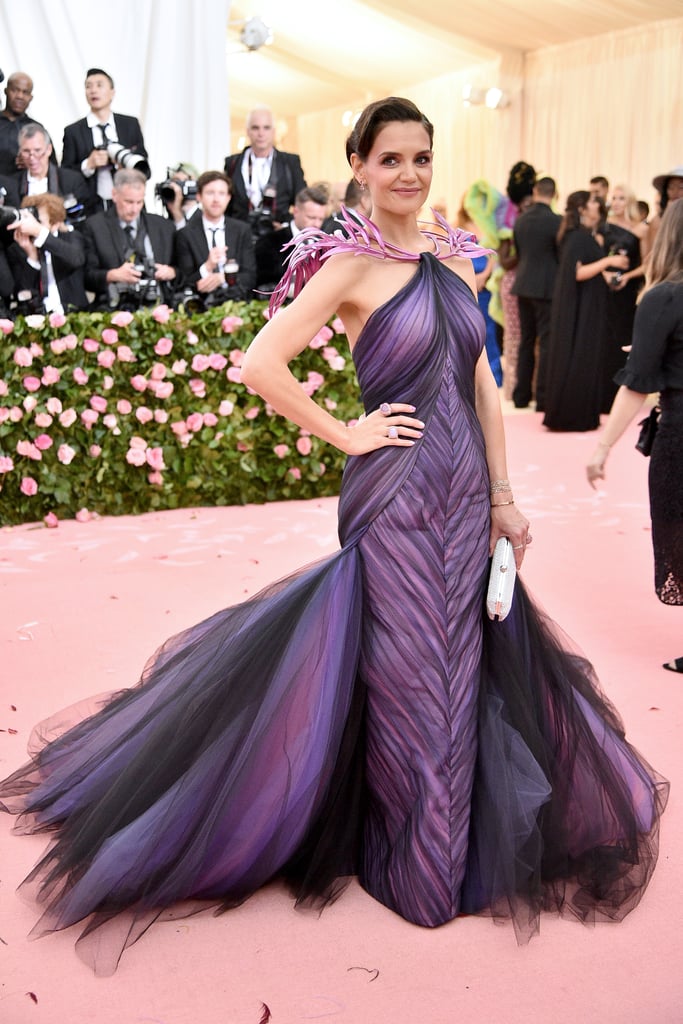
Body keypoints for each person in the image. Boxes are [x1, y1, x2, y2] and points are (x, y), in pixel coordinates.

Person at [0, 97, 667, 974]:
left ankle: (442, 848)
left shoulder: (452, 254)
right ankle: (416, 867)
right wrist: (347, 432)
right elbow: (259, 363)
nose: (411, 174)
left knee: (460, 667)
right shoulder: (347, 263)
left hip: (466, 500)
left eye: (422, 157)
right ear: (358, 165)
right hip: (393, 497)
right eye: (391, 159)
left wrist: (503, 495)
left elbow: (479, 382)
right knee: (409, 679)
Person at [587, 199, 683, 673]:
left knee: (679, 532)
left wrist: (602, 448)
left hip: (681, 437)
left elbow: (637, 382)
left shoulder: (664, 297)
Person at [543, 191, 628, 432]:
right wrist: (608, 263)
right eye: (591, 201)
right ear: (581, 208)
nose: (596, 204)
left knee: (585, 354)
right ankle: (574, 414)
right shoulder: (577, 237)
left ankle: (580, 413)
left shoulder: (583, 236)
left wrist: (607, 274)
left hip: (588, 303)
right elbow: (577, 273)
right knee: (580, 353)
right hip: (582, 307)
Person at [81, 168, 177, 310]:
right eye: (129, 202)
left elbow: (182, 270)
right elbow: (87, 276)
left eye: (139, 202)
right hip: (112, 308)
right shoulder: (95, 226)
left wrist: (171, 272)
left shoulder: (163, 227)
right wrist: (112, 275)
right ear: (114, 195)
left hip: (159, 305)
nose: (134, 209)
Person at [62, 68, 150, 217]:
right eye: (88, 86)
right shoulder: (74, 131)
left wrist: (124, 164)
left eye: (99, 85)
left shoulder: (130, 124)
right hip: (91, 208)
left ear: (112, 92)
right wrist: (88, 165)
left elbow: (144, 167)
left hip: (128, 205)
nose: (93, 91)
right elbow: (65, 174)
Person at [510, 177, 561, 410]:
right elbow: (561, 257)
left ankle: (521, 396)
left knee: (526, 341)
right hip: (547, 288)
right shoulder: (557, 221)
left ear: (535, 190)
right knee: (548, 344)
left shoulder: (520, 220)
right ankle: (543, 398)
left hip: (523, 285)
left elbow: (519, 253)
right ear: (554, 194)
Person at [175, 170, 256, 306]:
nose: (216, 199)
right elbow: (184, 280)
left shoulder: (242, 230)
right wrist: (206, 267)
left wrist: (223, 278)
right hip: (200, 307)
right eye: (210, 193)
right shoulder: (186, 234)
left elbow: (250, 276)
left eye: (222, 193)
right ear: (199, 196)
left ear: (229, 197)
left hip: (237, 305)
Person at [602, 184, 650, 409]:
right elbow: (596, 257)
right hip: (605, 290)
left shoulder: (641, 229)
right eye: (615, 198)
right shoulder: (604, 227)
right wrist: (605, 274)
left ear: (630, 202)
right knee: (604, 339)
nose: (617, 202)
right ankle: (601, 395)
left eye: (622, 198)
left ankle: (618, 396)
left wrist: (627, 277)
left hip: (628, 292)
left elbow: (647, 263)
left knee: (623, 339)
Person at [224, 106, 306, 234]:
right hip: (241, 237)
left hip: (277, 239)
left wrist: (287, 226)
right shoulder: (232, 163)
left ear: (273, 131)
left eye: (266, 128)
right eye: (255, 128)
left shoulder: (290, 162)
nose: (261, 133)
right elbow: (227, 204)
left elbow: (302, 201)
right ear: (247, 131)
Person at [6, 193, 88, 314]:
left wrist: (40, 233)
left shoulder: (71, 238)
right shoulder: (17, 248)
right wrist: (32, 258)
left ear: (55, 224)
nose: (32, 225)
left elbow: (76, 259)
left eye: (39, 221)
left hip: (74, 313)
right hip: (37, 318)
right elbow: (22, 293)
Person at [254, 185, 328, 296]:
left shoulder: (326, 245)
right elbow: (259, 285)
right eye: (311, 217)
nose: (317, 224)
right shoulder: (270, 242)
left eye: (321, 219)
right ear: (295, 212)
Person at [12, 124, 89, 219]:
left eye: (37, 150)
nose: (32, 158)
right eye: (26, 151)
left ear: (49, 149)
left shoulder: (72, 181)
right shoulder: (12, 184)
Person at [0, 71, 48, 176]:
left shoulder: (37, 130)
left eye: (25, 92)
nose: (20, 96)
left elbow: (51, 166)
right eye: (15, 90)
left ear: (31, 97)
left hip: (25, 189)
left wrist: (33, 162)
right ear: (6, 91)